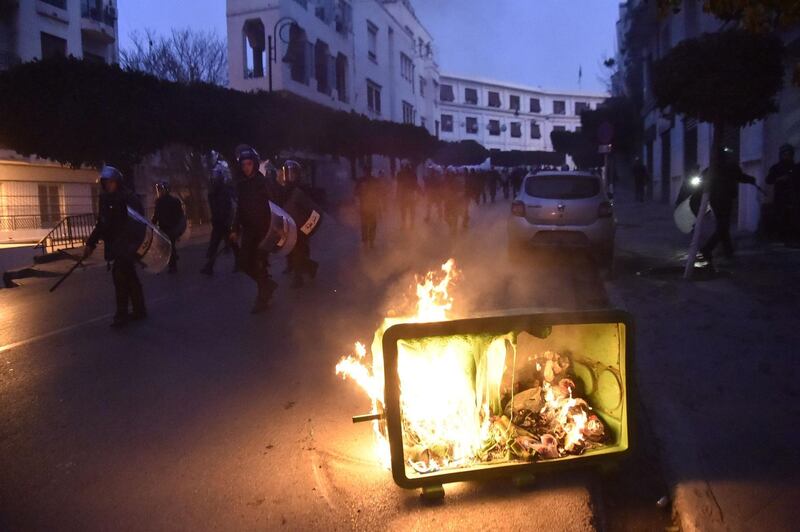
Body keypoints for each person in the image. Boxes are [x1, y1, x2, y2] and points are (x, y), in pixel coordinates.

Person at [82, 166, 147, 327]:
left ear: (117, 182)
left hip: (127, 245)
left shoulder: (129, 198)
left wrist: (130, 244)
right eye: (106, 183)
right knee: (130, 277)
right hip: (116, 246)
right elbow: (102, 223)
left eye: (111, 182)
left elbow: (138, 223)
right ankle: (139, 309)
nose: (108, 185)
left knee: (120, 276)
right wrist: (91, 243)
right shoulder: (105, 199)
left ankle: (121, 314)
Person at [229, 147, 277, 314]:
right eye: (243, 165)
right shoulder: (241, 185)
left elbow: (274, 206)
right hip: (249, 231)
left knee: (259, 264)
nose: (246, 167)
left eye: (249, 164)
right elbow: (239, 209)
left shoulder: (262, 182)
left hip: (264, 230)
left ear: (254, 164)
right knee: (243, 263)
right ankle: (267, 285)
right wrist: (234, 229)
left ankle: (262, 299)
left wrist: (275, 228)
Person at [701, 148, 756, 261]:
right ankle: (707, 248)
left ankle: (728, 250)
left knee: (723, 225)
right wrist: (751, 179)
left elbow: (703, 181)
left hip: (716, 201)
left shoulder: (711, 169)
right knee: (723, 226)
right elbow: (741, 177)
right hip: (725, 200)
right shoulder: (730, 167)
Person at [276, 160, 320, 288]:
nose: (289, 176)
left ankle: (299, 277)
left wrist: (306, 228)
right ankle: (309, 267)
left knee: (299, 252)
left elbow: (314, 211)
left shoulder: (300, 191)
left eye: (292, 173)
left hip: (300, 228)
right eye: (287, 173)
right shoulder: (284, 191)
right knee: (292, 252)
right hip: (289, 227)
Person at [201, 165, 236, 275]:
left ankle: (239, 263)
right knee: (214, 245)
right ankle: (209, 267)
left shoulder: (224, 191)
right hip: (218, 222)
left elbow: (227, 207)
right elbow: (214, 208)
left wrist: (227, 221)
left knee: (231, 244)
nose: (214, 178)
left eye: (216, 176)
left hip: (224, 222)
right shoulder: (213, 192)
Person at [766, 144, 800, 244]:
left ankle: (793, 238)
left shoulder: (795, 167)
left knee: (794, 217)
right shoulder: (776, 168)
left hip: (794, 197)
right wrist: (779, 179)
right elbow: (769, 180)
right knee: (782, 217)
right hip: (781, 198)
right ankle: (783, 237)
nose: (787, 156)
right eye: (785, 154)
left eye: (789, 154)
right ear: (781, 155)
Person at [152, 181, 185, 273]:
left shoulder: (160, 201)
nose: (160, 191)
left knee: (168, 247)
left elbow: (156, 215)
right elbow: (180, 214)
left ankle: (172, 265)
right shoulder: (175, 201)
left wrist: (152, 224)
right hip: (171, 228)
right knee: (169, 246)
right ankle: (173, 261)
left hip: (166, 228)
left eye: (161, 190)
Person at [355, 167, 382, 248]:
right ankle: (369, 242)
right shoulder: (374, 180)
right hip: (368, 206)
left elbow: (356, 193)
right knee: (370, 224)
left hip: (367, 206)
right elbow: (378, 193)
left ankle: (368, 241)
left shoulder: (361, 181)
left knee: (367, 224)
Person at [396, 160, 419, 229]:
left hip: (409, 194)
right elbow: (399, 185)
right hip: (405, 194)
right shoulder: (401, 174)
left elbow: (415, 184)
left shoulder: (411, 174)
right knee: (405, 210)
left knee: (409, 210)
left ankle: (410, 224)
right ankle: (407, 224)